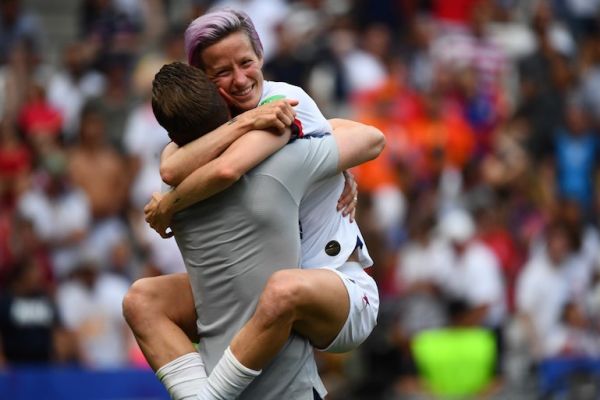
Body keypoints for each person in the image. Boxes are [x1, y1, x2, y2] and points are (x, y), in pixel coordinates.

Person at [126, 60, 383, 400]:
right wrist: (337, 173)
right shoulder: (284, 164)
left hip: (222, 368)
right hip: (290, 387)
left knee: (140, 299)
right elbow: (369, 138)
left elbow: (186, 167)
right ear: (226, 106)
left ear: (172, 137)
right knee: (283, 289)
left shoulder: (167, 189)